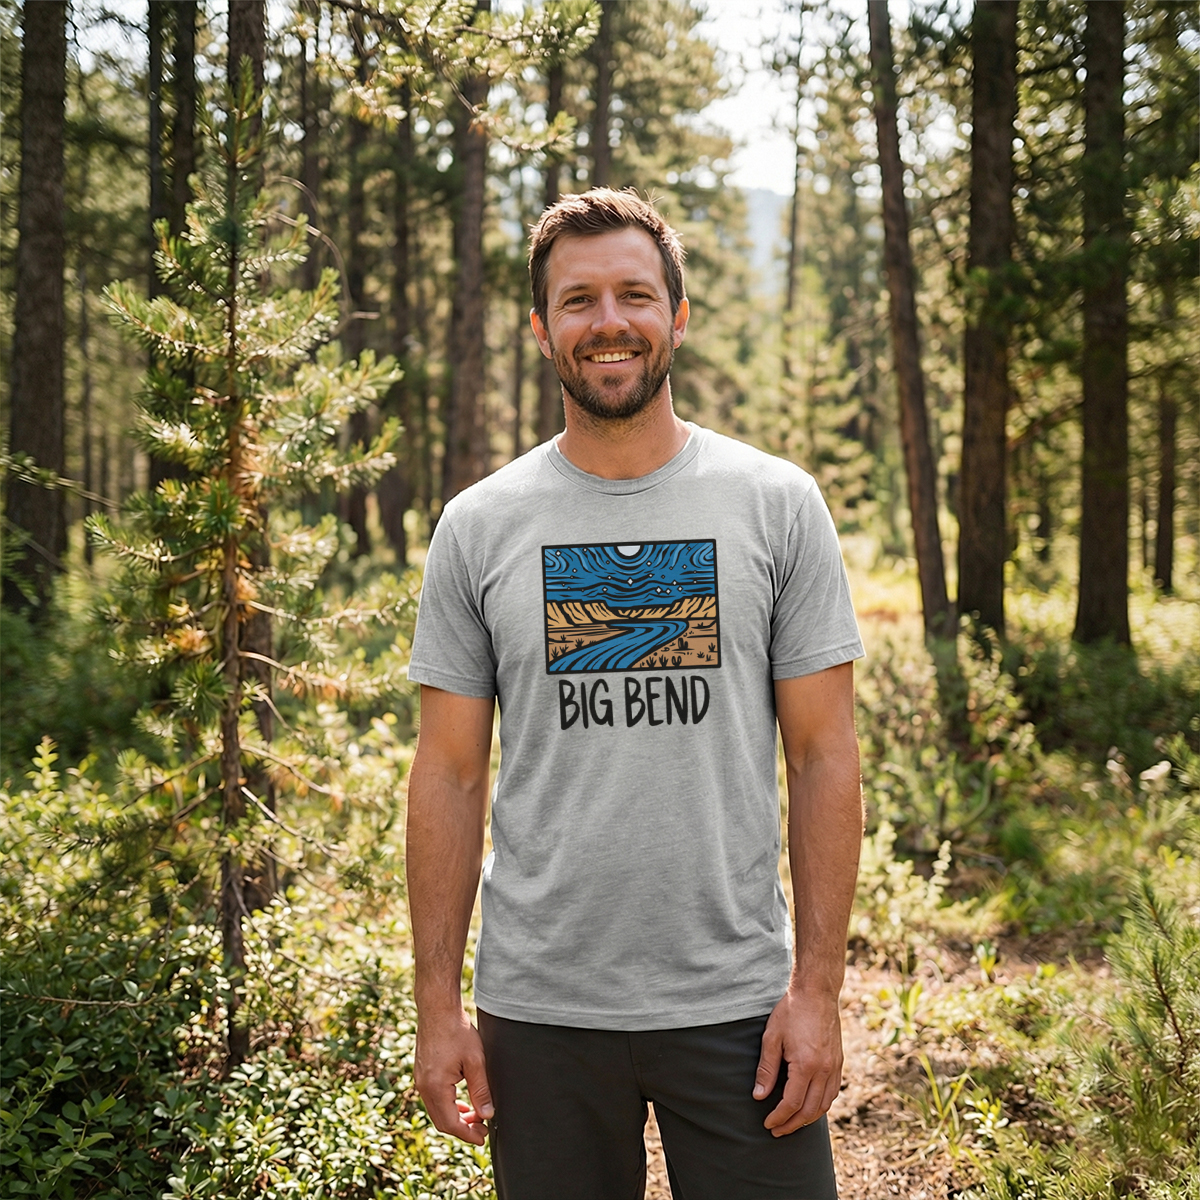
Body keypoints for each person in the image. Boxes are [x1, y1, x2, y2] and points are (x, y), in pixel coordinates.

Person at [406, 188, 864, 1200]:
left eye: (634, 295)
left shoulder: (775, 504)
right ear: (541, 329)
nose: (608, 322)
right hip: (542, 1011)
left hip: (739, 1008)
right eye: (577, 301)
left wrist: (817, 991)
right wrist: (440, 1010)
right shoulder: (479, 526)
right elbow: (446, 771)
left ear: (677, 317)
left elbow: (824, 754)